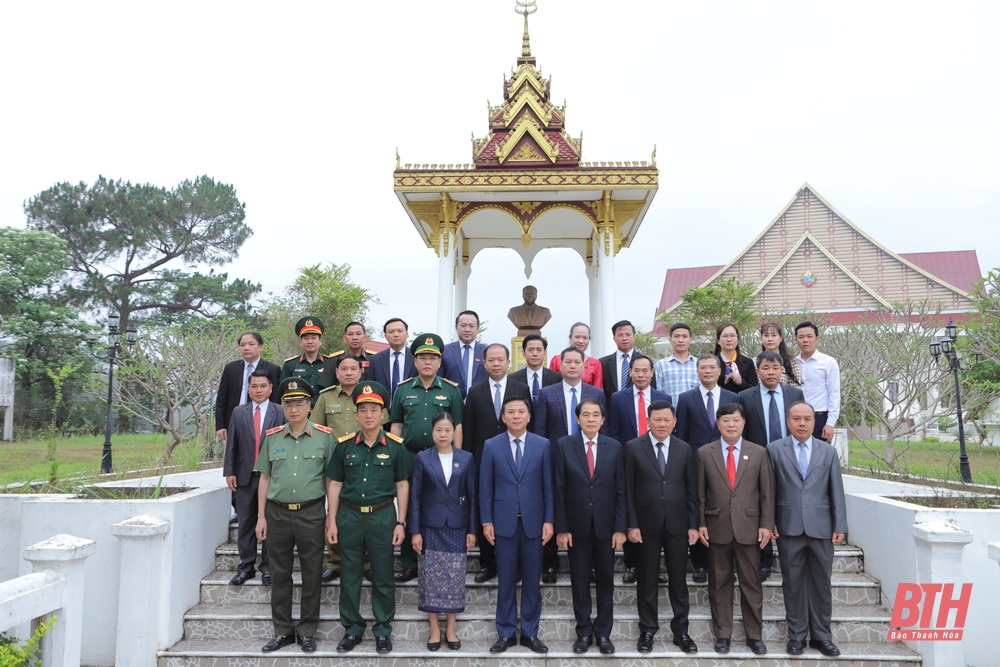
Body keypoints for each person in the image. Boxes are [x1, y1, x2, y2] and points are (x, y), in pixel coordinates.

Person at [325, 382, 410, 655]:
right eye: (363, 410)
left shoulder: (396, 446)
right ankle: (352, 629)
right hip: (349, 516)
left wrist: (401, 522)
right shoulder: (345, 445)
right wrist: (332, 520)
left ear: (383, 414)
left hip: (382, 517)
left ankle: (383, 629)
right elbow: (335, 484)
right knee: (349, 575)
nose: (369, 415)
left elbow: (403, 486)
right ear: (357, 413)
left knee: (383, 575)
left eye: (374, 409)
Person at [254, 378, 335, 654]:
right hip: (276, 514)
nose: (294, 408)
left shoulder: (325, 437)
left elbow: (332, 481)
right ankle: (283, 631)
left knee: (312, 573)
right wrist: (260, 517)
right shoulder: (273, 436)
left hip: (311, 513)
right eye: (289, 403)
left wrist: (330, 517)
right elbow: (264, 478)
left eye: (299, 403)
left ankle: (308, 630)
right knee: (280, 574)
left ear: (309, 406)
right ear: (283, 407)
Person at [768, 401, 848, 657]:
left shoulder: (827, 452)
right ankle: (797, 636)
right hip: (788, 527)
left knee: (821, 583)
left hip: (821, 527)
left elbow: (836, 491)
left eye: (807, 419)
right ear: (788, 422)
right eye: (796, 419)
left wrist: (840, 525)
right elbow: (769, 491)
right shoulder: (774, 450)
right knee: (792, 584)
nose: (802, 423)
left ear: (815, 422)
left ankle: (822, 637)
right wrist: (770, 522)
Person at [696, 402, 774, 656]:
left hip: (750, 528)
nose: (731, 424)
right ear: (717, 424)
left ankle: (754, 635)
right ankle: (723, 634)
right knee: (719, 583)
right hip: (716, 527)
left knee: (751, 583)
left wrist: (766, 525)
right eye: (726, 420)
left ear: (744, 423)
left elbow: (767, 494)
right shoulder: (705, 453)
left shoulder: (759, 452)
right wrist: (700, 523)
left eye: (736, 420)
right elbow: (699, 494)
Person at [624, 400, 699, 655]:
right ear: (648, 421)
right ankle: (647, 630)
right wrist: (631, 524)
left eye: (667, 419)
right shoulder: (633, 448)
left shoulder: (685, 448)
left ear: (675, 422)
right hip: (645, 525)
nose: (662, 424)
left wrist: (693, 524)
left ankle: (682, 631)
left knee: (679, 579)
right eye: (657, 419)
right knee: (646, 580)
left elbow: (691, 490)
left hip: (678, 524)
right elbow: (628, 491)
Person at [480, 396, 554, 655]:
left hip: (534, 523)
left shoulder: (543, 445)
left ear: (529, 416)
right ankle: (506, 633)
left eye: (521, 411)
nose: (516, 416)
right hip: (503, 523)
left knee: (533, 581)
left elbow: (548, 486)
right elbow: (485, 487)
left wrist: (549, 520)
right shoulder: (491, 445)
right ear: (503, 417)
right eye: (510, 412)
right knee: (506, 580)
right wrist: (486, 520)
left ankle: (531, 633)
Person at [553, 399, 626, 655]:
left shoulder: (615, 447)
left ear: (603, 420)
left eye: (596, 415)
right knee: (579, 580)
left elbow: (621, 491)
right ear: (578, 419)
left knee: (606, 580)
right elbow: (559, 489)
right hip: (576, 528)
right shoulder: (564, 446)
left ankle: (604, 633)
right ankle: (583, 631)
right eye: (586, 415)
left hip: (606, 528)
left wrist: (620, 528)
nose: (591, 419)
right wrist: (561, 528)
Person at [390, 333, 464, 583]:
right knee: (410, 507)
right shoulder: (402, 390)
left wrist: (457, 462)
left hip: (441, 458)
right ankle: (410, 563)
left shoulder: (451, 391)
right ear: (415, 361)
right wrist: (394, 459)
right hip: (410, 457)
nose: (427, 362)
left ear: (440, 362)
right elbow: (396, 427)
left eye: (433, 358)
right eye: (422, 357)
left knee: (437, 506)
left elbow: (458, 428)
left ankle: (436, 558)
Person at [533, 346, 605, 581]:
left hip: (590, 463)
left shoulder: (596, 394)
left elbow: (604, 431)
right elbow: (541, 433)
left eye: (577, 362)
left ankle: (592, 565)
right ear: (560, 366)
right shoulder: (547, 393)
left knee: (589, 509)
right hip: (556, 461)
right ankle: (551, 563)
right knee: (553, 508)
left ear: (584, 366)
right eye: (568, 362)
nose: (573, 366)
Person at [461, 343, 531, 583]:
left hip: (516, 459)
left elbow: (527, 422)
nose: (496, 363)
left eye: (500, 359)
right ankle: (488, 563)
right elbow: (469, 430)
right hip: (483, 460)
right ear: (484, 363)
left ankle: (519, 563)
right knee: (486, 508)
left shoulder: (521, 388)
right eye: (491, 359)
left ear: (508, 361)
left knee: (515, 508)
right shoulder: (475, 391)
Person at [409, 412, 478, 652]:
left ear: (454, 432)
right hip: (430, 527)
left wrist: (472, 530)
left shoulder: (466, 458)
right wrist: (415, 531)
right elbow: (415, 496)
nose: (443, 434)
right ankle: (434, 630)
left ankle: (450, 628)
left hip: (457, 528)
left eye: (448, 430)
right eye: (439, 429)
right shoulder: (422, 458)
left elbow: (472, 496)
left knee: (455, 579)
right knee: (430, 578)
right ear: (432, 432)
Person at [737, 350, 804, 581]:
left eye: (775, 367)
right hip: (757, 460)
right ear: (757, 371)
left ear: (782, 370)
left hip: (788, 461)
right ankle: (764, 561)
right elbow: (742, 433)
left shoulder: (795, 394)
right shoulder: (745, 397)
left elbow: (800, 427)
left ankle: (791, 557)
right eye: (766, 368)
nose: (771, 372)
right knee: (760, 509)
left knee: (788, 506)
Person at [313, 353, 379, 582]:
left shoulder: (370, 395)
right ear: (337, 372)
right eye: (344, 368)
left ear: (361, 372)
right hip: (336, 466)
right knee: (335, 513)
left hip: (368, 462)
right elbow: (317, 430)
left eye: (353, 368)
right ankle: (335, 562)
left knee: (368, 513)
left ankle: (368, 562)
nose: (349, 372)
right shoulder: (325, 397)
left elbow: (382, 425)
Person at [673, 354, 739, 582]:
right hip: (696, 463)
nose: (708, 371)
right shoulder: (686, 398)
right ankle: (699, 564)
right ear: (697, 371)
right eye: (703, 367)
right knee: (698, 508)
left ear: (720, 371)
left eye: (712, 367)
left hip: (728, 461)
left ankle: (726, 561)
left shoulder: (733, 397)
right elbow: (680, 437)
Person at [607, 354, 671, 583]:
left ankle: (655, 566)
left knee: (655, 512)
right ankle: (632, 564)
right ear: (630, 373)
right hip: (629, 460)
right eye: (637, 370)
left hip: (657, 462)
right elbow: (613, 431)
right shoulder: (617, 398)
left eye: (646, 370)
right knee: (630, 509)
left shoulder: (663, 397)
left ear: (652, 373)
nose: (641, 374)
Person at [223, 370, 286, 586]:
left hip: (273, 476)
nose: (258, 390)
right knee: (245, 522)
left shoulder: (280, 412)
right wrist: (229, 471)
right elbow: (232, 443)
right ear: (248, 389)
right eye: (254, 386)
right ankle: (246, 567)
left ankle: (267, 568)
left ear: (271, 388)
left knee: (271, 523)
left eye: (262, 386)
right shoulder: (239, 412)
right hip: (244, 476)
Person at [215, 331, 280, 441]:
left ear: (260, 347)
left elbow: (275, 399)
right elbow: (222, 398)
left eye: (251, 344)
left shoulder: (272, 369)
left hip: (262, 421)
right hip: (235, 420)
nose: (246, 348)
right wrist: (221, 426)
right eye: (242, 345)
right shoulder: (231, 368)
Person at [795, 322, 841, 441]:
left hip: (820, 418)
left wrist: (830, 423)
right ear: (796, 340)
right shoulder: (792, 363)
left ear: (817, 338)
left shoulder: (828, 362)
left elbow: (834, 393)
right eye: (801, 337)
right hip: (796, 418)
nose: (805, 340)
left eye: (809, 336)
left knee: (820, 457)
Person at [599, 320, 656, 404]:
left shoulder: (645, 362)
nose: (624, 338)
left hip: (637, 408)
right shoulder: (603, 363)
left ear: (634, 337)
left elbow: (652, 388)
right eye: (620, 335)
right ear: (614, 339)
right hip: (611, 410)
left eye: (628, 334)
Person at [279, 316, 335, 395]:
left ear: (320, 341)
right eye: (306, 338)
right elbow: (283, 392)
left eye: (313, 338)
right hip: (299, 406)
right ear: (300, 342)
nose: (310, 342)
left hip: (324, 407)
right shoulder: (290, 365)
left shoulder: (330, 363)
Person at [368, 317, 417, 406]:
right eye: (391, 332)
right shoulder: (376, 359)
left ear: (407, 334)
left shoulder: (416, 358)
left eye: (400, 331)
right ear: (385, 336)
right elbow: (371, 386)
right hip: (384, 412)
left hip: (410, 410)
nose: (396, 334)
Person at [440, 310, 487, 399]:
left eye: (471, 326)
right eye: (463, 325)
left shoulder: (486, 352)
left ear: (477, 328)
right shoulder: (444, 351)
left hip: (479, 402)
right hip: (451, 402)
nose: (467, 329)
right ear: (456, 327)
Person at [509, 333, 560, 404]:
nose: (535, 354)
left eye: (539, 350)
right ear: (523, 353)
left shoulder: (556, 378)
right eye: (530, 350)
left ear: (545, 353)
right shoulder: (513, 379)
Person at [548, 323, 604, 388]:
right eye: (577, 337)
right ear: (570, 337)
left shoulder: (595, 363)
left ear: (589, 340)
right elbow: (551, 387)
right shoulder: (557, 360)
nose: (581, 341)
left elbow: (598, 390)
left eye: (585, 338)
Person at [654, 323, 700, 400]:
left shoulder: (699, 364)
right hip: (670, 410)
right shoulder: (661, 365)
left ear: (690, 340)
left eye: (685, 337)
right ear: (670, 340)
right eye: (677, 336)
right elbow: (657, 392)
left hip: (695, 411)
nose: (681, 340)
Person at [714, 323, 758, 392]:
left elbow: (755, 390)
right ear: (718, 341)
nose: (729, 339)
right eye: (725, 336)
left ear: (738, 340)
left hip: (741, 402)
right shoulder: (712, 362)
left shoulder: (747, 362)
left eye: (733, 336)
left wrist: (741, 382)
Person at [760, 321, 801, 387]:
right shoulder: (754, 362)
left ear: (780, 338)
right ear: (761, 338)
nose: (770, 339)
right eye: (766, 335)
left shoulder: (791, 362)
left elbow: (796, 389)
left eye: (774, 335)